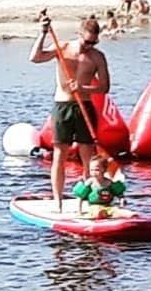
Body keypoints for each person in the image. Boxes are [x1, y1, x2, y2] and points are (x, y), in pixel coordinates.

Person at [29, 13, 110, 213]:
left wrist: (84, 88)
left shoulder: (97, 57)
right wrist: (43, 33)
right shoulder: (63, 48)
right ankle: (58, 202)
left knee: (87, 157)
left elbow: (105, 87)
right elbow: (35, 58)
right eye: (87, 41)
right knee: (60, 155)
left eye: (94, 42)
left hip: (85, 106)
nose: (89, 45)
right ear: (79, 34)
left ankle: (87, 199)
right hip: (63, 106)